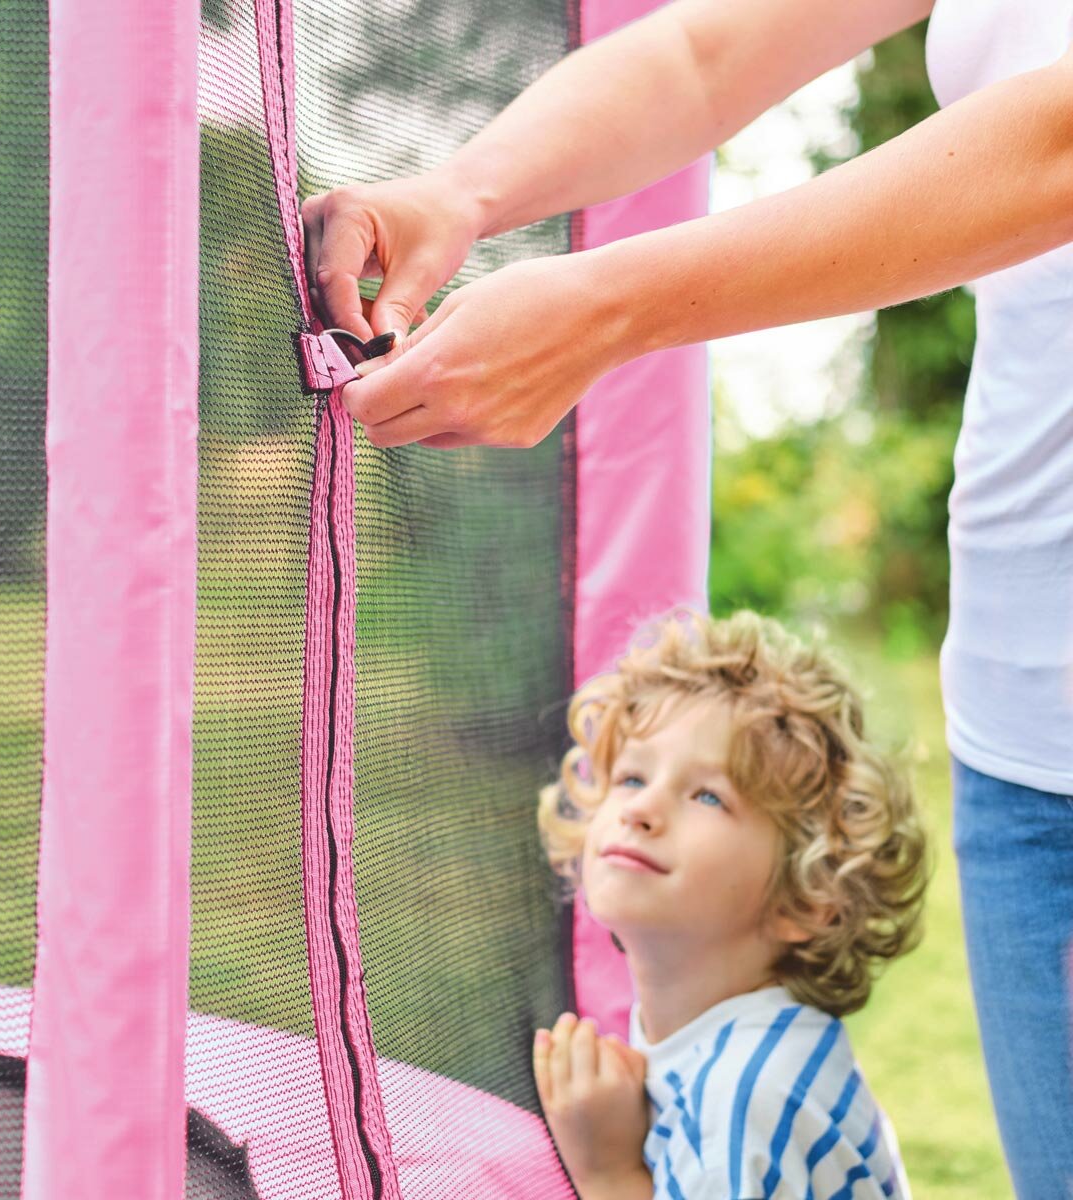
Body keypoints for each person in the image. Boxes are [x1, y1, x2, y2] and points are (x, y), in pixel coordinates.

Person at [303, 1, 1073, 1191]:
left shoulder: (762, 1086)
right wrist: (462, 193)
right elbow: (701, 55)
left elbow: (1053, 145)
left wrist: (607, 312)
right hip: (1027, 720)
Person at [527, 609, 927, 1199]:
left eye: (708, 796)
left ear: (807, 897)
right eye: (632, 778)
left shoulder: (744, 1098)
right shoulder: (740, 1046)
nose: (641, 809)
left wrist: (608, 1172)